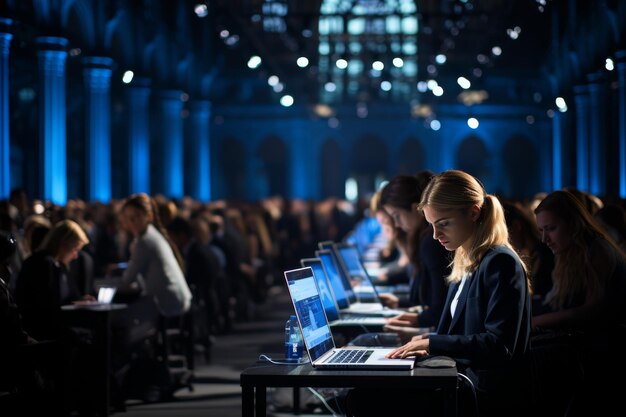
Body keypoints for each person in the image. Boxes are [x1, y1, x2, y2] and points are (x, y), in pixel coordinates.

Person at [367, 170, 532, 417]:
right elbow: (458, 332)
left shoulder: (500, 262)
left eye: (443, 223)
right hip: (457, 379)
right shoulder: (464, 258)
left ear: (473, 213)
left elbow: (498, 344)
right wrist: (425, 343)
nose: (435, 235)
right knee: (366, 393)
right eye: (432, 225)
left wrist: (433, 342)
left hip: (481, 393)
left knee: (364, 400)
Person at [533, 190, 626, 414]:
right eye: (541, 231)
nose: (545, 239)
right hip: (585, 350)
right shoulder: (570, 253)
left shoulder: (597, 250)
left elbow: (590, 313)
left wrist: (534, 322)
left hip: (604, 356)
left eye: (551, 229)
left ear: (574, 223)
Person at [378, 172, 451, 337]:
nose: (396, 224)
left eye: (397, 216)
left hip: (437, 333)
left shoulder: (431, 242)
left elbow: (440, 308)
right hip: (435, 330)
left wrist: (415, 326)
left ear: (414, 208)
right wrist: (400, 303)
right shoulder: (422, 239)